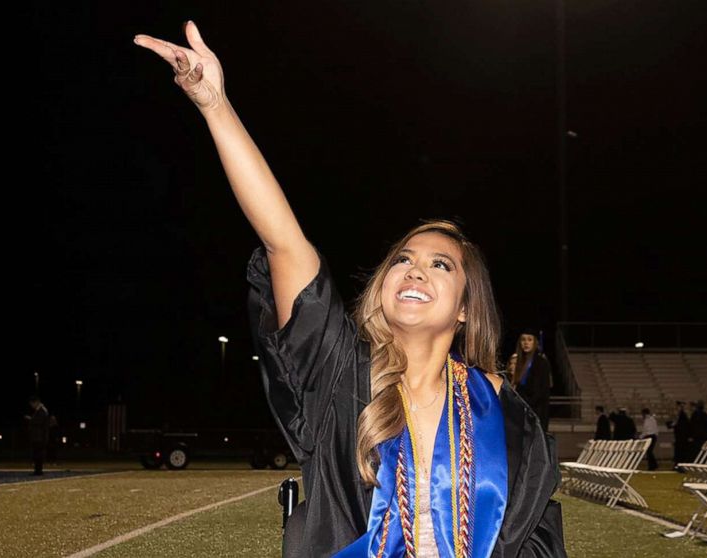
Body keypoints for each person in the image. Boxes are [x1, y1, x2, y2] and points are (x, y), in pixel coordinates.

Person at [134, 22, 565, 558]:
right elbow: (284, 242)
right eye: (402, 260)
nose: (414, 270)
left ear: (464, 310)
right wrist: (215, 105)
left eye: (440, 265)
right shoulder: (339, 370)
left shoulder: (499, 405)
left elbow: (536, 533)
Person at [512, 329, 553, 432]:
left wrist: (525, 404)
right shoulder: (519, 362)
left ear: (535, 342)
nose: (526, 343)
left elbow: (541, 392)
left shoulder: (540, 362)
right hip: (521, 411)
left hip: (535, 412)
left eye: (530, 340)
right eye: (523, 340)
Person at [24, 396, 50, 476]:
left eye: (32, 404)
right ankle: (37, 470)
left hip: (39, 436)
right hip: (39, 436)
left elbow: (39, 422)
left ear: (36, 402)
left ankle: (38, 471)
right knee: (37, 453)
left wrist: (30, 419)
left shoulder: (42, 410)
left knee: (38, 454)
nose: (32, 406)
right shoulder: (41, 410)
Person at [669, 401, 690, 468]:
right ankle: (678, 464)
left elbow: (681, 426)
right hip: (680, 437)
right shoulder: (681, 415)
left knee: (680, 452)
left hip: (681, 437)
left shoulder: (682, 415)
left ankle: (679, 465)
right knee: (679, 451)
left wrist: (674, 425)